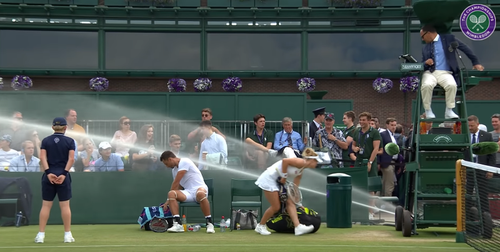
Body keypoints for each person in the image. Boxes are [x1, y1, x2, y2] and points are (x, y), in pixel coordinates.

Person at [419, 25, 484, 119]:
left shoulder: (448, 39)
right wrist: (425, 62)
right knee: (426, 85)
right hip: (430, 72)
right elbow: (422, 63)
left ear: (428, 33)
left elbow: (465, 48)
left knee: (452, 85)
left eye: (422, 36)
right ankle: (428, 110)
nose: (422, 39)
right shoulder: (425, 48)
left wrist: (475, 62)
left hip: (445, 72)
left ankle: (449, 110)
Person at [254, 147, 318, 236]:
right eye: (316, 161)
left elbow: (294, 189)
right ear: (312, 160)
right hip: (269, 178)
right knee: (276, 207)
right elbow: (285, 161)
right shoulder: (300, 162)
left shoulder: (302, 170)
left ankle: (298, 227)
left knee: (290, 202)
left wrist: (298, 204)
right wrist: (284, 176)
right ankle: (260, 226)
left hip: (277, 181)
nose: (317, 164)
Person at [35, 117, 76, 244]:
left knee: (46, 206)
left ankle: (41, 235)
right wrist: (64, 174)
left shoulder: (46, 140)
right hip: (63, 176)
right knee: (65, 206)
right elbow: (71, 159)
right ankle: (67, 235)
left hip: (48, 176)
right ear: (65, 127)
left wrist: (48, 173)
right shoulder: (70, 141)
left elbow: (42, 157)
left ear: (52, 127)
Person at [160, 151, 215, 234]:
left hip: (200, 189)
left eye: (166, 163)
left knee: (200, 194)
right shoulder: (174, 170)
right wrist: (170, 199)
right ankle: (178, 224)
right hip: (188, 193)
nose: (166, 166)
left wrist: (168, 200)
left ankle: (209, 224)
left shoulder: (185, 161)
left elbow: (176, 181)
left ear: (170, 159)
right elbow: (179, 186)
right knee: (171, 194)